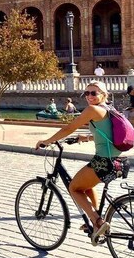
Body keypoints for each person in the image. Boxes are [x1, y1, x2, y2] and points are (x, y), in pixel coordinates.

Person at [37, 80, 125, 245]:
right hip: (118, 159)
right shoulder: (110, 109)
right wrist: (86, 138)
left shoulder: (93, 109)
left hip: (103, 162)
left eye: (94, 93)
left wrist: (47, 141)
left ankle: (98, 222)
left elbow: (69, 128)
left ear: (103, 95)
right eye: (87, 93)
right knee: (86, 185)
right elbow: (109, 134)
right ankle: (95, 221)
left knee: (74, 188)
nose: (89, 96)